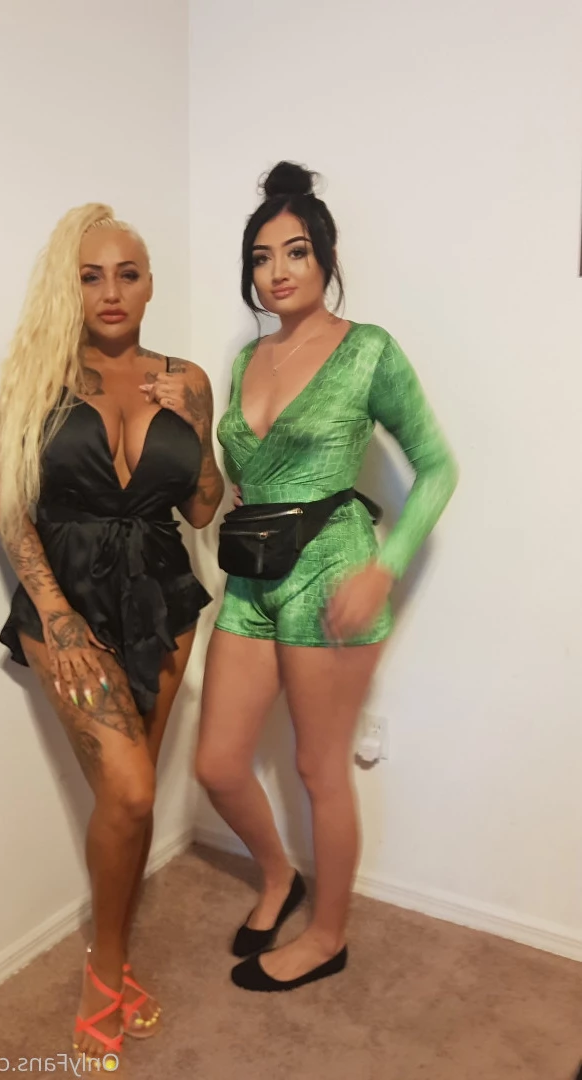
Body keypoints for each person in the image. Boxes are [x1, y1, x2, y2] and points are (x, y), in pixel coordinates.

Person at [195, 161, 458, 992]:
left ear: (325, 256)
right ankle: (280, 876)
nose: (277, 271)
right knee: (218, 764)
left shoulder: (368, 350)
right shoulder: (247, 360)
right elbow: (248, 467)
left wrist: (386, 568)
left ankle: (328, 937)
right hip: (253, 577)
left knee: (318, 768)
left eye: (295, 252)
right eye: (261, 257)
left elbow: (439, 468)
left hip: (332, 572)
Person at [0, 203, 224, 1062]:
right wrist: (56, 616)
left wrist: (197, 430)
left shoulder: (187, 377)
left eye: (128, 274)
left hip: (162, 597)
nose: (111, 291)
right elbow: (7, 507)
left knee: (137, 798)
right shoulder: (38, 379)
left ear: (151, 284)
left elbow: (203, 507)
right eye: (92, 276)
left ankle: (113, 960)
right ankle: (105, 971)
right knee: (126, 792)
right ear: (72, 286)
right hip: (70, 603)